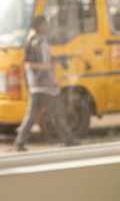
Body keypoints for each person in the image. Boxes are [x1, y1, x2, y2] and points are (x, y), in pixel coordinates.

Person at [11, 15, 80, 151]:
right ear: (40, 26)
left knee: (34, 116)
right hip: (45, 85)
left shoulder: (32, 40)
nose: (47, 27)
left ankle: (19, 143)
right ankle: (68, 140)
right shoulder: (39, 42)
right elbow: (37, 63)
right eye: (45, 24)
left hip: (37, 85)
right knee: (57, 113)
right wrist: (52, 67)